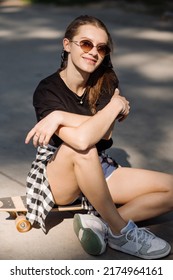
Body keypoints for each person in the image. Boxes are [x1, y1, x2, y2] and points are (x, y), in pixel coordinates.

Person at [25, 15, 173, 259]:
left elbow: (104, 132)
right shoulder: (47, 89)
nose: (93, 52)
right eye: (85, 44)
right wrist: (114, 107)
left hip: (97, 165)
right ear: (66, 44)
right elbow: (83, 140)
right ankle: (122, 232)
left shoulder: (106, 80)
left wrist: (60, 116)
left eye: (101, 48)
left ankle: (102, 225)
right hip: (60, 174)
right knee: (80, 147)